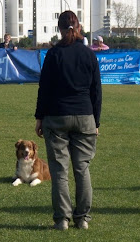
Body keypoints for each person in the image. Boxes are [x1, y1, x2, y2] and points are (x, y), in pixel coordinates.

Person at [35, 10, 102, 230]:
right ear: (79, 27)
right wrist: (96, 122)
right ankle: (82, 218)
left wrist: (39, 117)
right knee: (82, 169)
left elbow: (44, 88)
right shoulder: (89, 54)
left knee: (59, 171)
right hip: (84, 116)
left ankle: (62, 219)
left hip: (56, 116)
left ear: (60, 29)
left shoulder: (54, 54)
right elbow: (96, 91)